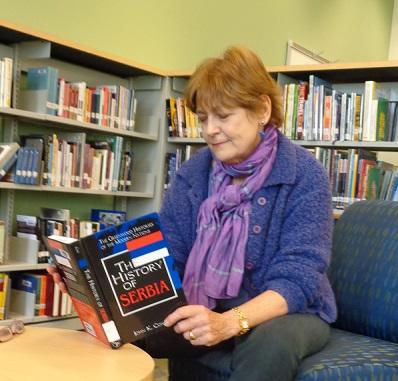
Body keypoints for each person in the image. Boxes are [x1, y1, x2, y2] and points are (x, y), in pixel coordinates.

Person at [48, 46, 337, 381]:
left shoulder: (304, 173)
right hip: (208, 305)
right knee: (118, 330)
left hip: (288, 312)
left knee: (270, 344)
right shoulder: (194, 173)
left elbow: (299, 278)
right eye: (203, 118)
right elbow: (168, 257)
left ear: (261, 109)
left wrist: (227, 323)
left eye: (223, 116)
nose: (210, 130)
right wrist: (91, 286)